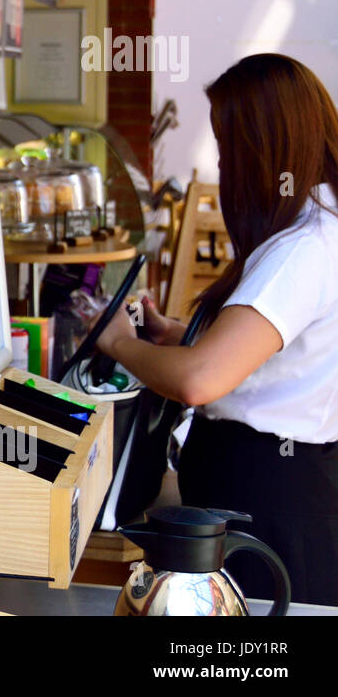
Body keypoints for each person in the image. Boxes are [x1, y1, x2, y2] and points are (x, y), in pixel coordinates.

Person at [95, 53, 338, 606]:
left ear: (265, 150)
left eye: (229, 152)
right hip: (268, 485)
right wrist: (174, 334)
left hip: (272, 497)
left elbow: (200, 380)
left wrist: (119, 344)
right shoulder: (313, 229)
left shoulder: (306, 249)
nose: (226, 169)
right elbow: (270, 356)